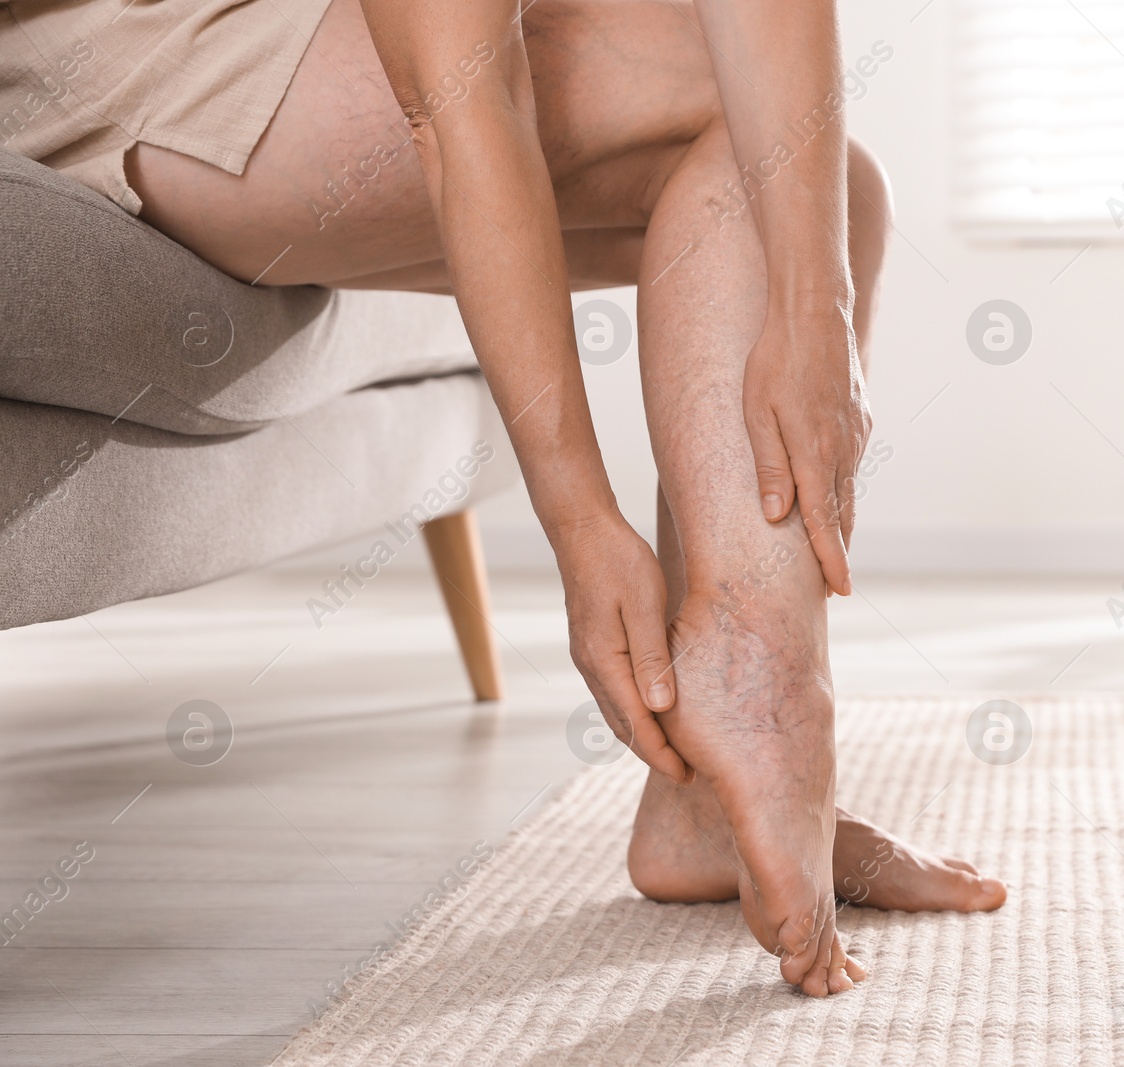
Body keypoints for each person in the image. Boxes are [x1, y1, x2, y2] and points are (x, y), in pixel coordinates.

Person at [2, 0, 1006, 997]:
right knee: (728, 104)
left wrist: (814, 313)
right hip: (102, 46)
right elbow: (465, 94)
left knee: (836, 188)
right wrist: (579, 516)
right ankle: (758, 693)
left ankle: (705, 791)